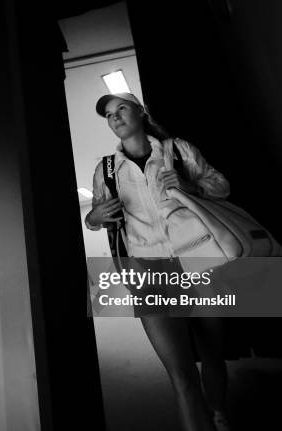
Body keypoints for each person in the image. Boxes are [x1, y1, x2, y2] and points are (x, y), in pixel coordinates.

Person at [85, 92, 231, 431]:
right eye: (109, 114)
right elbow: (95, 218)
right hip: (149, 274)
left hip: (200, 265)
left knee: (212, 356)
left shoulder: (178, 150)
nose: (116, 117)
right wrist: (93, 217)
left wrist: (189, 186)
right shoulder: (106, 170)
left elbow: (221, 187)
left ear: (140, 111)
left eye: (121, 108)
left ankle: (220, 413)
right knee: (180, 375)